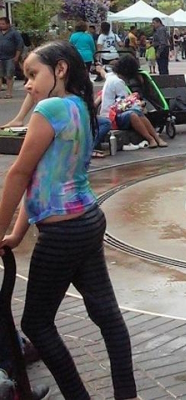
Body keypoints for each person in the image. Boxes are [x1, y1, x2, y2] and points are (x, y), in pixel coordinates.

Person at [0, 41, 137, 400]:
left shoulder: (49, 109)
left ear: (60, 69)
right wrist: (16, 233)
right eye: (25, 76)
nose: (27, 84)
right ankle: (128, 394)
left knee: (36, 324)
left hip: (62, 232)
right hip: (88, 220)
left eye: (33, 74)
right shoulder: (79, 105)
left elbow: (19, 175)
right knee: (106, 314)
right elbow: (44, 178)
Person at [99, 54, 169, 148]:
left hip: (109, 113)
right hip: (112, 117)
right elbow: (127, 103)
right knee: (134, 114)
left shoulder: (112, 76)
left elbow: (105, 74)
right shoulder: (118, 82)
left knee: (136, 112)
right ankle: (152, 138)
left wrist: (100, 69)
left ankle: (154, 139)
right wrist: (140, 104)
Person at [0, 17, 24, 99]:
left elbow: (19, 44)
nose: (1, 25)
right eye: (0, 24)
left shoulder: (14, 33)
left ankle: (9, 92)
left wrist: (17, 56)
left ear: (8, 24)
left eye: (3, 24)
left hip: (10, 57)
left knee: (9, 75)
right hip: (0, 57)